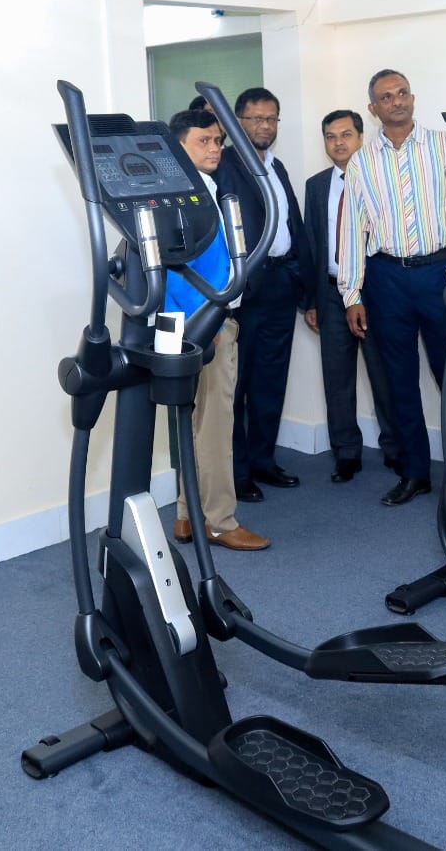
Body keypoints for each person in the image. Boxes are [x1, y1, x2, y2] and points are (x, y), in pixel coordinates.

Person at [338, 69, 446, 507]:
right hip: (386, 280)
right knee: (398, 381)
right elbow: (353, 230)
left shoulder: (444, 146)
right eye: (386, 97)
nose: (396, 101)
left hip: (440, 274)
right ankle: (415, 472)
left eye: (402, 93)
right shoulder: (361, 161)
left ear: (412, 98)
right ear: (373, 108)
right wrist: (352, 293)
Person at [164, 108, 270, 552]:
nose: (214, 149)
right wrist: (206, 319)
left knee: (190, 420)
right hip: (204, 322)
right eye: (203, 141)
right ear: (178, 147)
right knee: (214, 423)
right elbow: (174, 269)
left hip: (180, 322)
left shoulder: (193, 189)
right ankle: (221, 521)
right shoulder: (188, 195)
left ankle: (186, 514)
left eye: (218, 141)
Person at [215, 87, 306, 503]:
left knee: (271, 380)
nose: (265, 126)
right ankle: (236, 472)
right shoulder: (225, 165)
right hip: (245, 291)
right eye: (256, 118)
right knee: (236, 385)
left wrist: (303, 284)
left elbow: (293, 225)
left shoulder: (277, 166)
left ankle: (263, 461)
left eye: (271, 119)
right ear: (238, 122)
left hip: (281, 284)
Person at [302, 110, 402, 482]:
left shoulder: (381, 178)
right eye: (330, 136)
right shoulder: (315, 186)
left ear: (361, 137)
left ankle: (396, 449)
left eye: (346, 134)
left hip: (373, 291)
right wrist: (311, 300)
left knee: (384, 374)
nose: (338, 142)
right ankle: (346, 453)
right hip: (330, 292)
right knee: (336, 377)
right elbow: (311, 244)